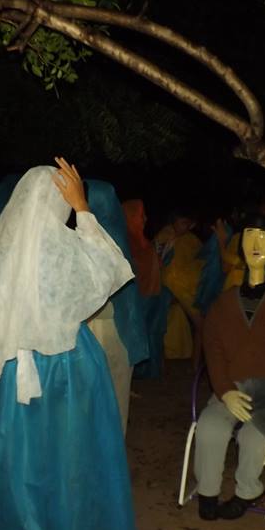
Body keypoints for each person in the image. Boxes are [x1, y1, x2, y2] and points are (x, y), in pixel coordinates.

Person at [0, 159, 137, 530]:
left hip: (22, 369)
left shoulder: (6, 253)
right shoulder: (63, 247)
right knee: (76, 463)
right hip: (71, 367)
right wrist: (84, 209)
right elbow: (109, 269)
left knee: (22, 466)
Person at [195, 214, 265, 520]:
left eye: (264, 236)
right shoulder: (223, 303)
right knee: (210, 426)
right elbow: (213, 351)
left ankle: (249, 490)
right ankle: (207, 490)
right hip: (232, 385)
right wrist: (224, 390)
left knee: (254, 437)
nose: (256, 243)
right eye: (249, 234)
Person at [85, 180, 149, 432]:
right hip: (112, 326)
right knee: (113, 395)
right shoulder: (111, 232)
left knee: (103, 394)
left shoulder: (103, 235)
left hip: (106, 325)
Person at [122, 199, 169, 380]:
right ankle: (138, 373)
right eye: (141, 216)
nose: (145, 219)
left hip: (153, 294)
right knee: (138, 334)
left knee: (153, 333)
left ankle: (152, 371)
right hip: (138, 297)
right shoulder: (126, 241)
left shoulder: (142, 241)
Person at [156, 212, 205, 364]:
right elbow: (157, 259)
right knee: (198, 324)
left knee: (200, 324)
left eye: (186, 223)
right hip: (171, 286)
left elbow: (199, 263)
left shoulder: (191, 240)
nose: (182, 226)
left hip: (186, 287)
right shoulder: (166, 235)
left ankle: (196, 364)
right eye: (180, 222)